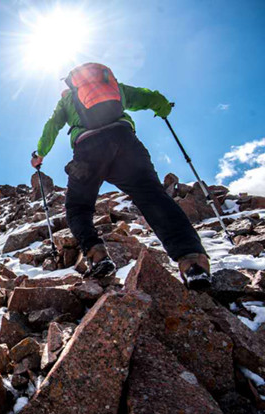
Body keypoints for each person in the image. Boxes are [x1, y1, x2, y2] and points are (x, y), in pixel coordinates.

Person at [31, 62, 211, 289]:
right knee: (153, 197)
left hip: (88, 151)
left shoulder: (67, 100)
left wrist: (39, 154)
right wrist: (163, 108)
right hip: (125, 142)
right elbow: (147, 97)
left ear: (71, 82)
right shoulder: (114, 87)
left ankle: (98, 256)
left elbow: (51, 127)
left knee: (78, 206)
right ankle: (193, 261)